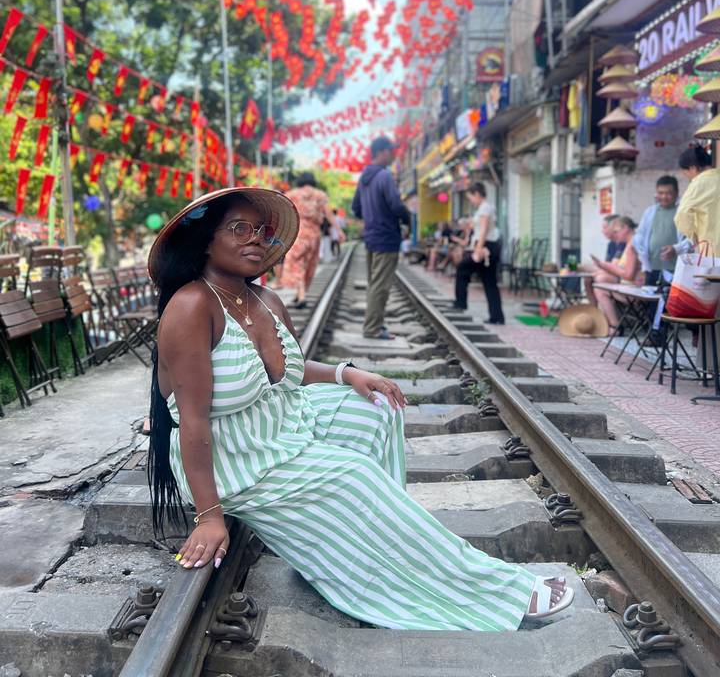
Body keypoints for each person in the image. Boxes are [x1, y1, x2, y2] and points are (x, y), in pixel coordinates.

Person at [147, 186, 572, 630]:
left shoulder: (262, 300)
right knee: (354, 474)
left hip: (283, 424)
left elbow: (284, 370)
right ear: (205, 239)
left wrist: (346, 374)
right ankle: (495, 588)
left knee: (377, 409)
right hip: (239, 458)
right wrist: (209, 517)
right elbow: (193, 420)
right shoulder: (192, 306)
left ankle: (370, 545)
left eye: (262, 230)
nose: (255, 238)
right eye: (239, 228)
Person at [352, 137, 411, 340]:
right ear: (382, 152)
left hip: (371, 237)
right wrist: (408, 218)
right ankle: (372, 328)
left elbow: (356, 208)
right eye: (391, 151)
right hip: (386, 237)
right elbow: (395, 205)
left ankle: (375, 323)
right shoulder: (385, 176)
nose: (394, 154)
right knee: (381, 286)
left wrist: (371, 217)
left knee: (374, 283)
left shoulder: (365, 178)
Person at [453, 183, 505, 324]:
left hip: (485, 247)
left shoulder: (485, 208)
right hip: (489, 246)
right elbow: (479, 227)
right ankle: (497, 317)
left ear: (476, 194)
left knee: (462, 268)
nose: (471, 201)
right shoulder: (485, 208)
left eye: (470, 197)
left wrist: (478, 250)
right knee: (489, 282)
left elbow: (483, 230)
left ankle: (460, 303)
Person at [281, 172, 332, 309]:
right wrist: (338, 231)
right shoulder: (320, 195)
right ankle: (299, 295)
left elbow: (283, 210)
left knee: (296, 263)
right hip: (314, 234)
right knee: (309, 264)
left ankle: (301, 295)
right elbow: (328, 214)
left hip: (299, 232)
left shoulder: (293, 194)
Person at [634, 176, 692, 285]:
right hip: (652, 270)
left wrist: (676, 249)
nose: (664, 196)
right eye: (660, 193)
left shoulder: (683, 212)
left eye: (668, 193)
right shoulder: (649, 212)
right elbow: (639, 234)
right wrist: (641, 254)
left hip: (676, 270)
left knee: (671, 302)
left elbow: (692, 240)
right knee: (649, 301)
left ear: (676, 193)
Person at [590, 216, 641, 330]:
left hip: (635, 292)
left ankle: (615, 326)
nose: (614, 235)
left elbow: (629, 275)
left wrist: (604, 266)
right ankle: (610, 322)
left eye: (616, 232)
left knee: (599, 288)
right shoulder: (631, 243)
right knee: (600, 282)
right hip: (632, 287)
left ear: (625, 228)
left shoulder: (632, 246)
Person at [675, 145, 720, 249]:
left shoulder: (697, 184)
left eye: (686, 173)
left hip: (711, 248)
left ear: (693, 168)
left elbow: (682, 214)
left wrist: (692, 234)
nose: (688, 177)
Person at [583, 214, 624, 305]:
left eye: (605, 228)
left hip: (621, 276)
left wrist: (599, 269)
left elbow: (613, 267)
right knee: (587, 276)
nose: (602, 231)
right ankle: (593, 308)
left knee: (597, 277)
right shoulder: (611, 244)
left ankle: (599, 309)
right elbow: (607, 265)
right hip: (612, 272)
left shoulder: (623, 242)